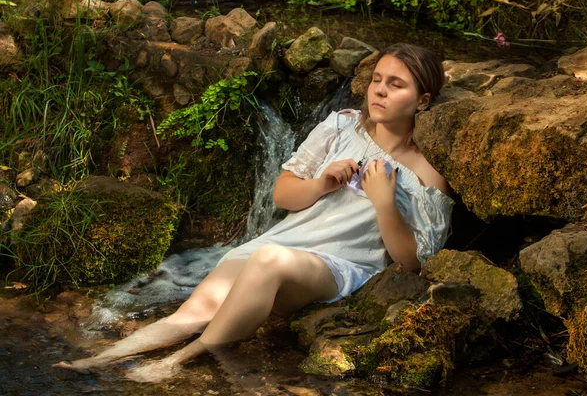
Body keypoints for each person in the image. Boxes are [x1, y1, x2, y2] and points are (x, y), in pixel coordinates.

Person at [54, 42, 454, 383]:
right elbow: (282, 195)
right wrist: (320, 183)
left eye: (395, 84)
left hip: (339, 265)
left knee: (266, 260)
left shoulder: (426, 173)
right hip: (285, 242)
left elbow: (415, 261)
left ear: (423, 100)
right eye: (377, 80)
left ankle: (178, 361)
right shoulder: (341, 127)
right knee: (196, 307)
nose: (379, 91)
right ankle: (98, 360)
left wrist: (385, 203)